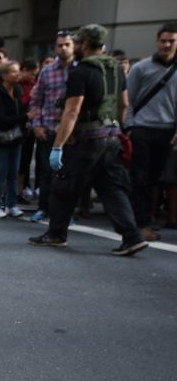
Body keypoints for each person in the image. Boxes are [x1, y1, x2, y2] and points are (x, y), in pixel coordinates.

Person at [29, 24, 148, 256]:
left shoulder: (81, 72)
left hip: (87, 139)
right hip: (112, 136)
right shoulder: (115, 69)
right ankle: (132, 236)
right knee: (111, 188)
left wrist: (57, 146)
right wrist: (117, 129)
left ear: (83, 44)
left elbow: (72, 111)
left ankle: (56, 234)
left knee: (64, 184)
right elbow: (124, 104)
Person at [125, 22, 177, 243]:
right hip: (142, 129)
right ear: (157, 41)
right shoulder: (141, 68)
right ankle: (142, 223)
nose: (167, 45)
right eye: (163, 40)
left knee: (157, 179)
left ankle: (149, 219)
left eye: (172, 41)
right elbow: (129, 101)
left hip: (168, 131)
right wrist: (128, 127)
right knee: (140, 179)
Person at [28, 30, 76, 222]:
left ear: (74, 46)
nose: (63, 48)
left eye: (67, 44)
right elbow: (36, 100)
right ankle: (43, 209)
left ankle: (65, 213)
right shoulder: (47, 72)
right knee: (46, 174)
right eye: (60, 45)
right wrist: (37, 125)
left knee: (68, 175)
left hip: (72, 133)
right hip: (48, 130)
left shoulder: (80, 70)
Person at [0, 60, 27, 218]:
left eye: (18, 71)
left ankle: (11, 204)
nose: (17, 74)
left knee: (13, 173)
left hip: (15, 138)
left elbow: (21, 110)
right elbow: (1, 119)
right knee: (0, 173)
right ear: (4, 75)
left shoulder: (17, 90)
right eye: (13, 72)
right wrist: (24, 117)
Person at [17, 58, 41, 202]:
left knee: (25, 161)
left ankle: (21, 190)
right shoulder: (17, 84)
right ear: (24, 69)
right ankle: (14, 191)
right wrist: (30, 95)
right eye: (31, 74)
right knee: (17, 162)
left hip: (30, 128)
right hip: (18, 126)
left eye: (35, 75)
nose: (33, 77)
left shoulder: (33, 84)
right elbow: (20, 103)